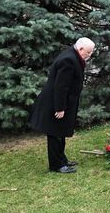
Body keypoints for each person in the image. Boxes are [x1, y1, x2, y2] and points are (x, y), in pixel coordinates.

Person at [29, 37, 95, 173]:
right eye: (88, 52)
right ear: (81, 49)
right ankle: (56, 165)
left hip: (62, 102)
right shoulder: (69, 60)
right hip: (55, 103)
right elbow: (61, 87)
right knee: (55, 134)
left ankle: (62, 160)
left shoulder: (73, 55)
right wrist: (60, 108)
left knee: (61, 132)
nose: (89, 56)